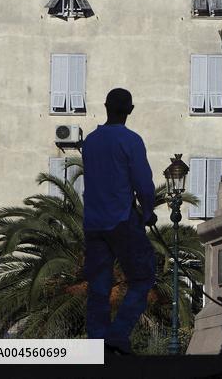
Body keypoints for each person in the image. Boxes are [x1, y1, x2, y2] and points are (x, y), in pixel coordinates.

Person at [82, 88, 157, 355]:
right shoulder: (131, 140)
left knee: (99, 285)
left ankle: (97, 342)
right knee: (144, 275)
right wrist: (148, 211)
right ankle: (117, 333)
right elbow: (143, 185)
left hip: (93, 222)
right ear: (131, 110)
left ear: (105, 106)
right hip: (122, 220)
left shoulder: (90, 141)